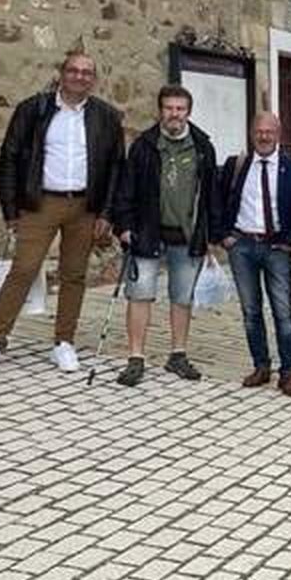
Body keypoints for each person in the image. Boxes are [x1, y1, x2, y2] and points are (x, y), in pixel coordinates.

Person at [0, 49, 126, 375]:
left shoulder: (106, 117)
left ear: (94, 79)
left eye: (87, 72)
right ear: (62, 73)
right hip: (41, 203)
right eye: (74, 70)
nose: (80, 76)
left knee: (74, 275)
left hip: (85, 206)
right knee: (23, 270)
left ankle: (63, 342)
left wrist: (106, 213)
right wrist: (11, 209)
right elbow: (9, 158)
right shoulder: (34, 109)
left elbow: (115, 169)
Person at [108, 84, 218, 386]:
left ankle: (178, 355)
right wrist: (124, 226)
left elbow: (211, 194)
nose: (174, 114)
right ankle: (136, 358)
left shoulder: (202, 146)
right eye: (169, 108)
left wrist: (212, 233)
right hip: (147, 233)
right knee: (140, 295)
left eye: (180, 109)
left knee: (182, 298)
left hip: (187, 235)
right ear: (160, 111)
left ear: (188, 112)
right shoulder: (144, 145)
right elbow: (126, 189)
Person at [218, 112, 291, 397]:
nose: (264, 136)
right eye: (259, 131)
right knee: (251, 311)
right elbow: (217, 200)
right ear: (251, 133)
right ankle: (261, 366)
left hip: (276, 248)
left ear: (279, 134)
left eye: (269, 131)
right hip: (242, 246)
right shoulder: (237, 165)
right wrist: (225, 235)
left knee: (283, 311)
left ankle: (288, 372)